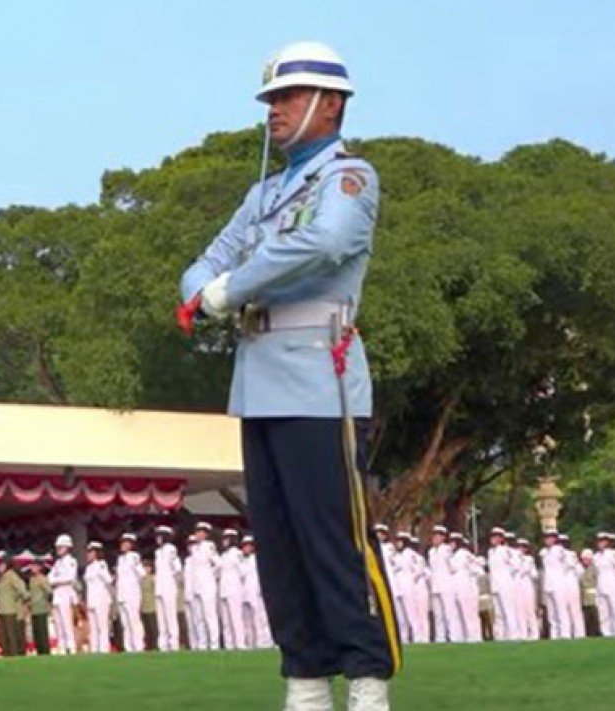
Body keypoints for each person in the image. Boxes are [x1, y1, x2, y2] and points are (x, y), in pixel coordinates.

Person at [177, 39, 396, 711]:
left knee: (334, 538)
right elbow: (201, 263)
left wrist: (228, 288)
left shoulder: (347, 178)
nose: (272, 111)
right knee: (278, 545)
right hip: (260, 379)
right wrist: (204, 292)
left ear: (329, 105)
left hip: (317, 379)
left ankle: (365, 675)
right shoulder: (263, 191)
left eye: (287, 97)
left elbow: (323, 242)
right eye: (270, 99)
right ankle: (304, 678)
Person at [189, 522, 221, 651]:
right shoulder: (194, 548)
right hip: (196, 586)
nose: (197, 534)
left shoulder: (209, 546)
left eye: (200, 532)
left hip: (207, 585)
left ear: (206, 534)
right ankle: (202, 644)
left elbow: (219, 564)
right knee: (199, 617)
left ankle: (214, 644)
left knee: (210, 616)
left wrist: (210, 575)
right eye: (197, 531)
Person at [239, 535, 273, 649]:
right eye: (244, 546)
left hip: (257, 591)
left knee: (260, 618)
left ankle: (264, 642)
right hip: (245, 592)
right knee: (247, 620)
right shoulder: (242, 560)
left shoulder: (257, 559)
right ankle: (251, 642)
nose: (246, 548)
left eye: (249, 546)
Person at [448, 533, 482, 643]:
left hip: (467, 587)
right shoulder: (453, 555)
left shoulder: (465, 554)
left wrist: (470, 574)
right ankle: (460, 637)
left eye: (453, 542)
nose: (451, 544)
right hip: (456, 587)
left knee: (469, 614)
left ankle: (474, 637)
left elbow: (478, 570)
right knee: (458, 614)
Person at [152, 525, 182, 652]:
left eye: (160, 535)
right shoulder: (158, 552)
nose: (157, 538)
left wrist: (176, 581)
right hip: (160, 586)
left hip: (169, 586)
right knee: (161, 618)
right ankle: (163, 644)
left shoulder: (170, 549)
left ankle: (173, 643)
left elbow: (177, 568)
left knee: (170, 617)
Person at [48, 534, 80, 655]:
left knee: (67, 622)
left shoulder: (71, 561)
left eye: (61, 547)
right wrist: (56, 579)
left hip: (66, 593)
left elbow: (70, 577)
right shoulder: (57, 563)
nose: (58, 549)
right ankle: (61, 646)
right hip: (57, 594)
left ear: (67, 547)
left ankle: (71, 647)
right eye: (58, 547)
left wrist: (56, 580)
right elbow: (49, 577)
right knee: (58, 622)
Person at [486, 528, 519, 641]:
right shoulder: (490, 552)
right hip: (495, 584)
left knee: (508, 611)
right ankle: (500, 636)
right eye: (492, 536)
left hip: (505, 584)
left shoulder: (506, 550)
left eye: (496, 536)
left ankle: (513, 636)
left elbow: (516, 566)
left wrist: (507, 576)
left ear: (501, 538)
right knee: (498, 613)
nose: (493, 539)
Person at [218, 528, 248, 650]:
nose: (224, 541)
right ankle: (229, 644)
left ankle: (240, 643)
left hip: (234, 588)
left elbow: (243, 571)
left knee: (236, 618)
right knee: (226, 620)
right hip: (224, 589)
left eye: (227, 538)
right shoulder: (224, 555)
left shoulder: (237, 553)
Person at [115, 532, 145, 653]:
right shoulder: (120, 559)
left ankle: (138, 645)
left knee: (134, 621)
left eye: (126, 543)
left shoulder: (134, 556)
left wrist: (134, 584)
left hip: (132, 593)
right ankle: (129, 647)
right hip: (122, 593)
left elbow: (141, 573)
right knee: (125, 623)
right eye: (122, 542)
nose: (123, 545)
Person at [0, 553, 28, 657]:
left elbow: (23, 591)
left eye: (2, 564)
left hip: (10, 610)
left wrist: (17, 601)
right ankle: (6, 654)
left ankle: (13, 655)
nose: (0, 566)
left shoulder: (12, 576)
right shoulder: (2, 577)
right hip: (1, 610)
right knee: (3, 635)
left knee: (11, 635)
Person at [84, 541, 114, 653]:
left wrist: (102, 572)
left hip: (101, 599)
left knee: (102, 626)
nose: (88, 555)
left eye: (90, 552)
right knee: (93, 627)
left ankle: (104, 649)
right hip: (92, 599)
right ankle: (95, 649)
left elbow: (108, 580)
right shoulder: (89, 568)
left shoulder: (101, 564)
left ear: (96, 553)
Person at [427, 525, 454, 643]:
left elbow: (452, 566)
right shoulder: (431, 551)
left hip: (446, 584)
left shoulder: (446, 549)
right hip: (435, 585)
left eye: (437, 535)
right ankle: (440, 638)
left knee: (449, 612)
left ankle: (454, 637)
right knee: (438, 615)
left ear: (443, 537)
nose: (435, 538)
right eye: (434, 535)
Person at [28, 558, 53, 656]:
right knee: (36, 632)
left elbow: (49, 591)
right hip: (34, 609)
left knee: (42, 632)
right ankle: (39, 651)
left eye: (34, 566)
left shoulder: (42, 578)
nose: (32, 568)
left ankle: (45, 651)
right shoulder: (32, 579)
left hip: (41, 608)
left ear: (39, 567)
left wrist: (45, 601)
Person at [139, 558, 159, 652]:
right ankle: (148, 645)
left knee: (153, 627)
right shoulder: (140, 579)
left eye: (147, 567)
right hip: (143, 606)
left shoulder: (153, 578)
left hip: (152, 605)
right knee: (145, 627)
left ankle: (155, 644)